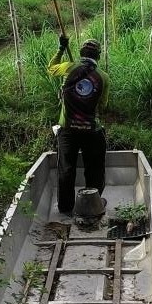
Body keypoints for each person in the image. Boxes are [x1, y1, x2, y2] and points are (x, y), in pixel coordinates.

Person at [47, 36, 110, 215]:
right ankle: (93, 205)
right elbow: (103, 105)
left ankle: (66, 208)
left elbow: (51, 68)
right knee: (95, 169)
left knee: (66, 170)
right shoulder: (104, 77)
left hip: (67, 130)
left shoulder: (68, 67)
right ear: (97, 56)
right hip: (92, 130)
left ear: (82, 53)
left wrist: (61, 48)